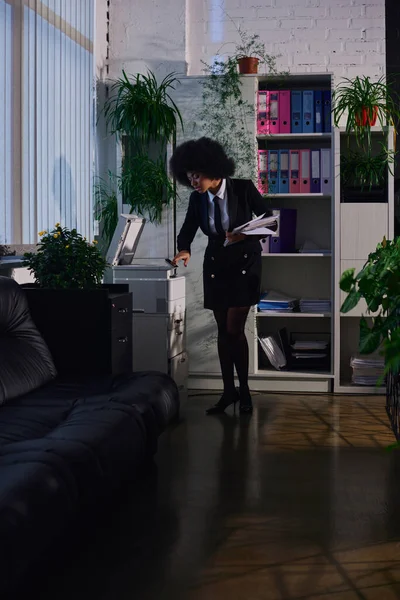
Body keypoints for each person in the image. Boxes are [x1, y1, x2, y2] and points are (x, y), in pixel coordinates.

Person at [170, 137, 276, 415]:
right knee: (222, 330)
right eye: (189, 177)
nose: (193, 182)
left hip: (245, 263)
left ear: (213, 170)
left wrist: (242, 234)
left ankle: (244, 391)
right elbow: (188, 229)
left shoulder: (242, 189)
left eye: (197, 176)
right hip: (216, 265)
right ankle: (228, 392)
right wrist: (184, 250)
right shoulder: (198, 199)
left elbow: (270, 220)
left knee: (234, 330)